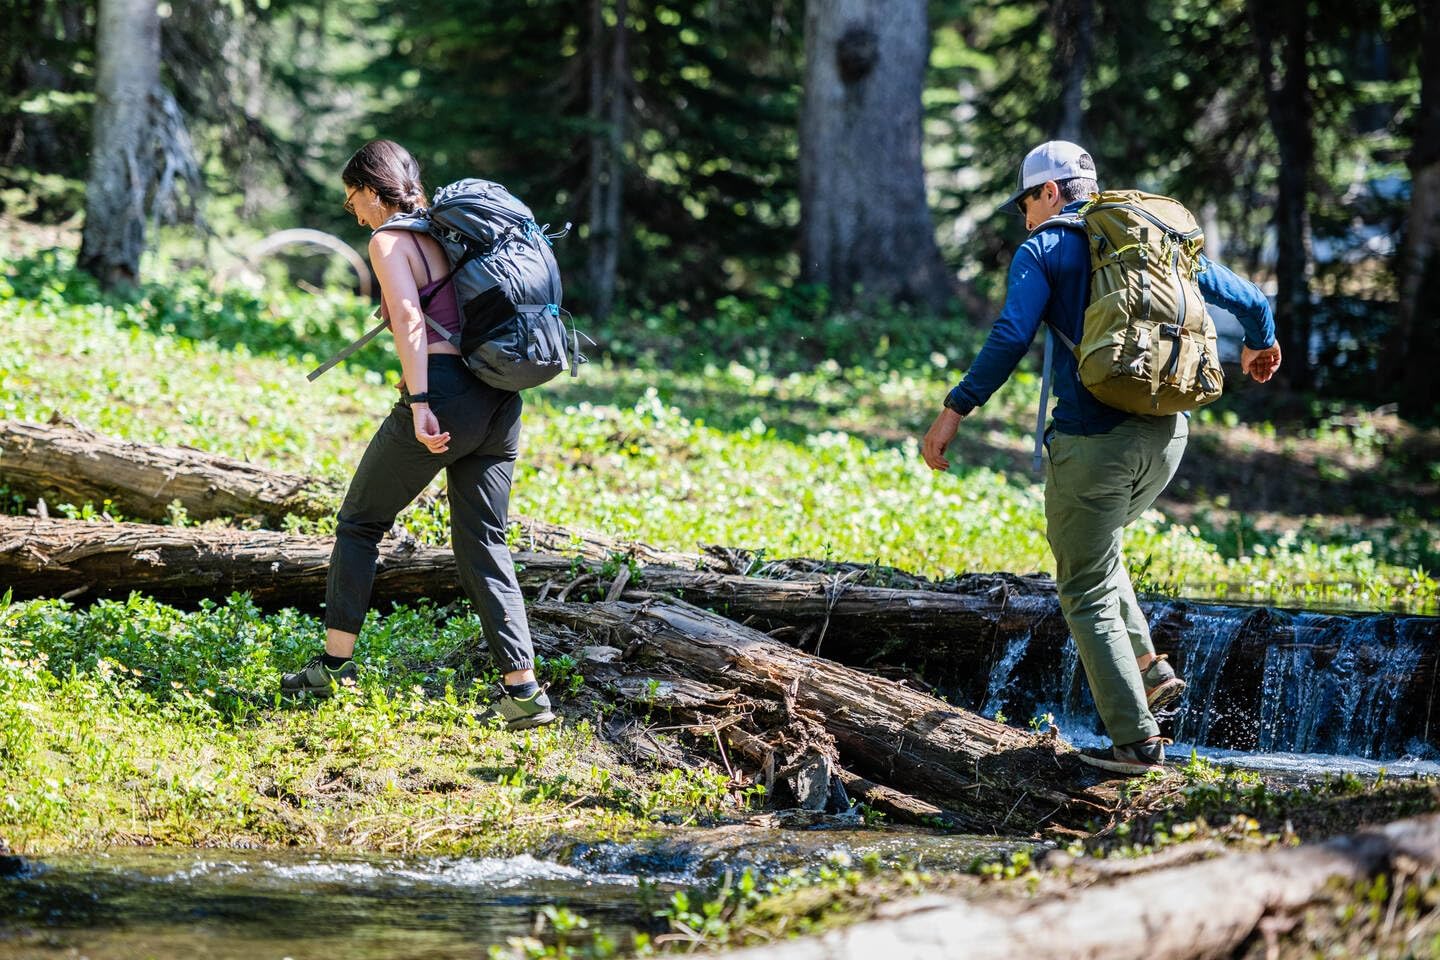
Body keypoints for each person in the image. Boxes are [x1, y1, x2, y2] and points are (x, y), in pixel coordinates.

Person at [921, 141, 1281, 775]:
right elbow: (1251, 300)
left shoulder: (1044, 248)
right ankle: (1148, 667)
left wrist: (954, 410)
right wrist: (1260, 347)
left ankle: (1135, 743)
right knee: (1100, 553)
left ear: (1051, 191)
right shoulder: (1147, 241)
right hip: (1167, 440)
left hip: (1094, 445)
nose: (1024, 214)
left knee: (1083, 586)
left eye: (1027, 200)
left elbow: (1010, 334)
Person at [281, 139, 556, 730]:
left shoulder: (389, 240)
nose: (354, 213)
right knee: (484, 540)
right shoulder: (447, 232)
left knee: (359, 523)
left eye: (354, 199)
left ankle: (333, 667)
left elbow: (409, 320)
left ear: (374, 193)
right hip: (500, 397)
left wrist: (423, 401)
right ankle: (525, 692)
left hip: (446, 395)